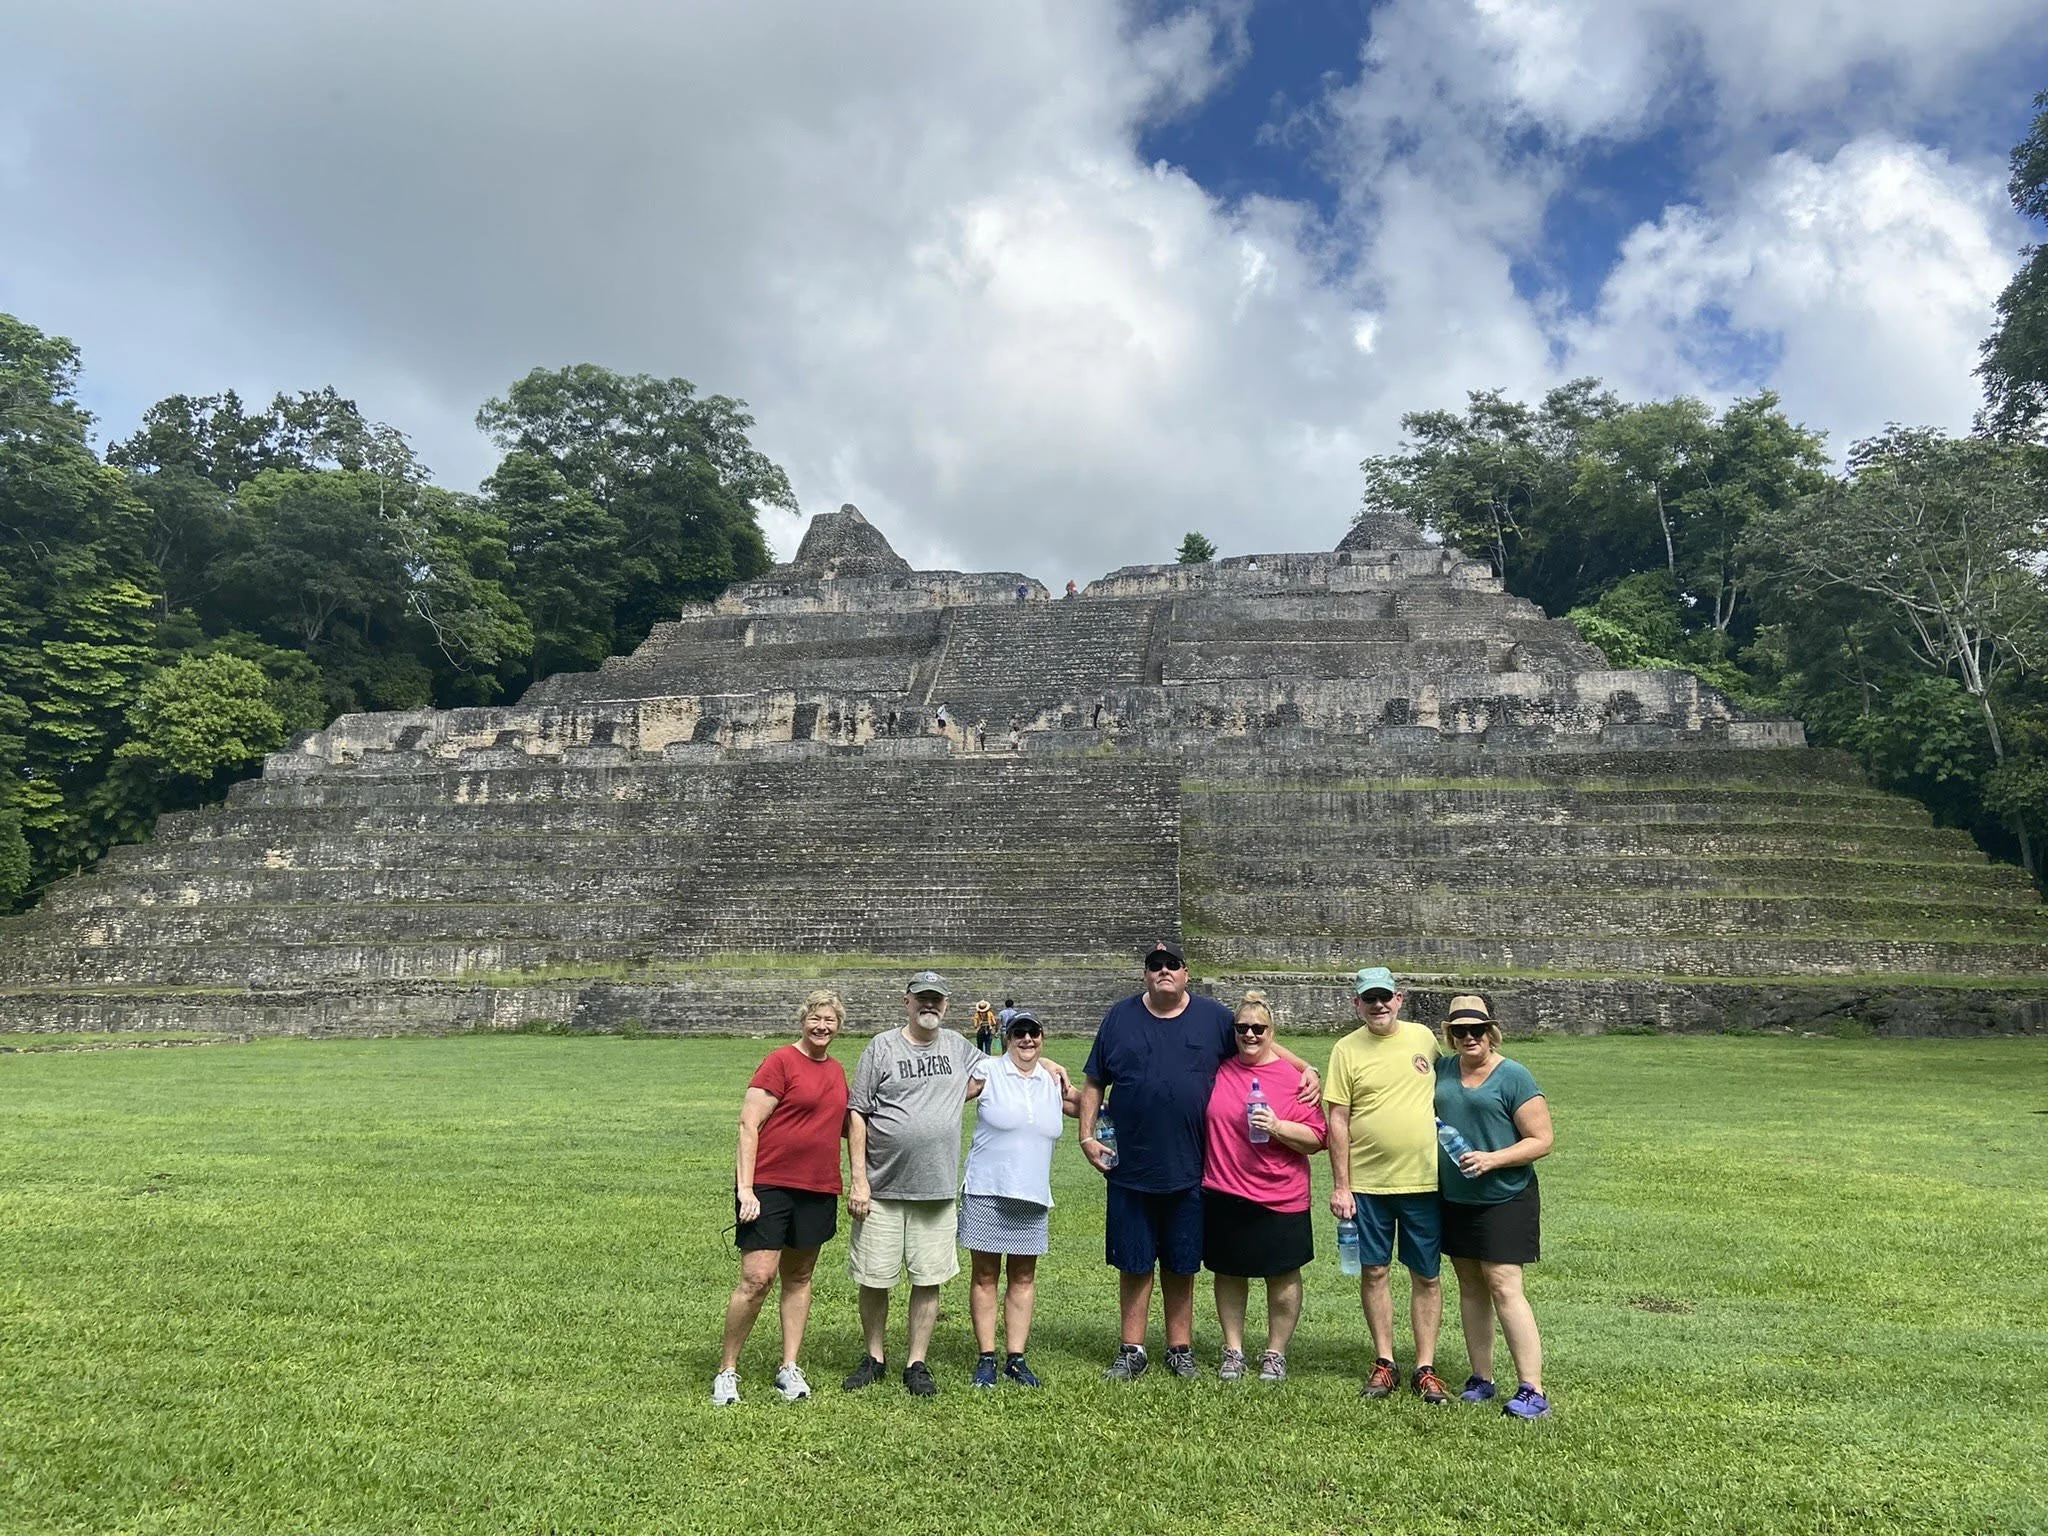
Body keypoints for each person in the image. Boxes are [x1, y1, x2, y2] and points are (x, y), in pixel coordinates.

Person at [1078, 940, 1320, 1381]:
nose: (1163, 971)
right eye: (1155, 965)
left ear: (1186, 972)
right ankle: (1132, 1348)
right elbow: (1095, 1081)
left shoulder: (1212, 1018)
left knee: (1181, 1261)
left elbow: (1257, 1040)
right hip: (1129, 1163)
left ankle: (1179, 1347)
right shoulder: (1119, 1017)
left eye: (1172, 964)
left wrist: (1307, 1067)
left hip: (1192, 1168)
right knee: (1134, 1263)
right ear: (1145, 974)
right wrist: (1086, 1135)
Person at [843, 971, 979, 1397]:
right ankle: (874, 1357)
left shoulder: (958, 1046)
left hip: (935, 1188)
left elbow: (1004, 1068)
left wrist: (1045, 1064)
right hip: (881, 1187)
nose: (930, 1005)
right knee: (875, 1277)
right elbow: (857, 1112)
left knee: (928, 1277)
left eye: (937, 1000)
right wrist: (859, 1180)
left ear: (946, 1005)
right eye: (922, 998)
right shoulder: (881, 1046)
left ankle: (916, 1362)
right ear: (907, 1002)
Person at [714, 989, 851, 1406]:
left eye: (829, 1020)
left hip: (818, 1186)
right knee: (757, 1279)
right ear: (802, 1021)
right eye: (815, 1019)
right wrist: (745, 1189)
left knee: (800, 1277)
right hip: (770, 1186)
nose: (822, 1027)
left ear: (839, 1026)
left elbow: (848, 1125)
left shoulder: (838, 1072)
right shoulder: (780, 1062)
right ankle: (727, 1370)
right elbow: (747, 1124)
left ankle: (788, 1366)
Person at [1325, 965, 1451, 1405]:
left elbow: (1455, 1089)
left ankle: (1425, 1366)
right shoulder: (1346, 1049)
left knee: (1427, 1275)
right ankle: (1384, 1361)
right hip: (1369, 1183)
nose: (1378, 1005)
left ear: (1399, 998)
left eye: (1385, 997)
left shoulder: (1423, 1039)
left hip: (1423, 1181)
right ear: (1357, 1004)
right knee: (1374, 1270)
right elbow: (1337, 1119)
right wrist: (1341, 1185)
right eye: (1369, 998)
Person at [1435, 995, 1555, 1420]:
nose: (1469, 1037)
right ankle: (1481, 1378)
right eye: (1460, 1031)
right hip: (1456, 1197)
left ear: (1491, 1032)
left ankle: (1532, 1389)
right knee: (1470, 1287)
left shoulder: (1514, 1075)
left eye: (1477, 1029)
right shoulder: (1442, 1069)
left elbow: (1541, 1139)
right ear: (1449, 1035)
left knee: (1504, 1286)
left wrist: (1492, 1159)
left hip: (1505, 1195)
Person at [1202, 990, 1326, 1383]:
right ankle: (1233, 1350)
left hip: (1280, 1192)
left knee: (1283, 1275)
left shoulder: (1294, 1081)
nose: (1251, 1035)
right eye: (1243, 1028)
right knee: (1229, 1271)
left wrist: (1276, 1126)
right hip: (1225, 1187)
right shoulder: (1218, 1068)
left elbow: (1317, 1138)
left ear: (1273, 1031)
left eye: (1259, 1028)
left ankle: (1275, 1352)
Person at [959, 1007, 1078, 1388]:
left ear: (1042, 1038)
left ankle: (1016, 1357)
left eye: (1034, 1033)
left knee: (1024, 1276)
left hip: (1032, 1193)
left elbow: (1084, 1106)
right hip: (987, 1188)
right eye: (1019, 1033)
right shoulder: (989, 1070)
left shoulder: (1051, 1080)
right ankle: (986, 1357)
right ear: (1006, 1038)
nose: (1027, 1040)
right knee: (985, 1275)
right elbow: (952, 1094)